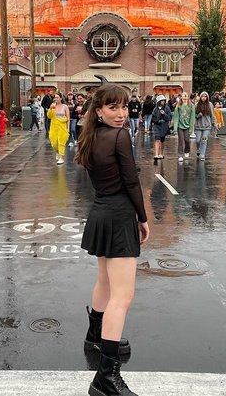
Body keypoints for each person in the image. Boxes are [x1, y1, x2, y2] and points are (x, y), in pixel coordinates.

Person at [75, 84, 150, 396]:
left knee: (105, 281)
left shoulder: (90, 136)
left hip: (101, 212)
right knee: (122, 296)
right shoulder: (119, 136)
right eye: (113, 107)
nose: (121, 114)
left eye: (124, 107)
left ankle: (95, 336)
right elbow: (131, 182)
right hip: (118, 216)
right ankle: (106, 377)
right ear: (98, 111)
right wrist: (143, 218)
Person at [47, 92, 69, 165]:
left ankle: (61, 157)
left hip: (62, 127)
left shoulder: (65, 106)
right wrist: (50, 109)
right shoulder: (53, 106)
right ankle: (57, 151)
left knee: (61, 142)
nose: (56, 99)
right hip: (53, 127)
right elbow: (49, 116)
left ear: (61, 98)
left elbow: (68, 118)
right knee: (54, 143)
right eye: (55, 97)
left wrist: (68, 129)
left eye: (57, 97)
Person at [172, 92, 195, 162]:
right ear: (181, 98)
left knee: (187, 140)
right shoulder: (178, 106)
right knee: (181, 140)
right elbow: (176, 117)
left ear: (188, 97)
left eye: (186, 97)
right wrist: (175, 128)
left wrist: (191, 128)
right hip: (180, 126)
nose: (185, 98)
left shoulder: (192, 106)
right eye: (183, 97)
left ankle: (187, 151)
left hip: (187, 126)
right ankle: (180, 155)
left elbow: (192, 117)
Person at [194, 91, 216, 161]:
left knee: (204, 140)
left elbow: (212, 115)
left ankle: (202, 154)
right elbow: (194, 115)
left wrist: (214, 124)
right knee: (198, 140)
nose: (204, 98)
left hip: (207, 126)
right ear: (200, 97)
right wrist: (198, 115)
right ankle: (198, 149)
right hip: (199, 126)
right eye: (202, 96)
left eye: (205, 96)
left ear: (207, 97)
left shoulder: (210, 105)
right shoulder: (197, 105)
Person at [151, 94, 172, 160]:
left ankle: (161, 153)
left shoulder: (167, 108)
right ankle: (156, 154)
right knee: (157, 139)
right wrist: (156, 121)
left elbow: (169, 118)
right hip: (157, 126)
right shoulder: (155, 109)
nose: (163, 102)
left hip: (164, 126)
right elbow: (153, 118)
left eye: (164, 100)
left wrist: (164, 114)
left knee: (162, 140)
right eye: (161, 100)